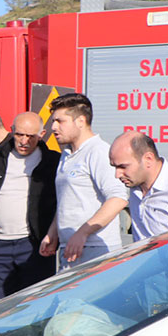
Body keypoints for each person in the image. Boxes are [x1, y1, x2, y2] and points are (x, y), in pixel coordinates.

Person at [0, 112, 58, 303]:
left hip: (32, 245)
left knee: (35, 302)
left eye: (30, 136)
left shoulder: (52, 161)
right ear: (11, 131)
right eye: (19, 134)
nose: (24, 141)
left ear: (42, 134)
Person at [40, 93, 128, 267]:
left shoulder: (98, 151)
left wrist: (83, 233)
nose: (54, 127)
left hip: (96, 250)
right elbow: (67, 199)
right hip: (70, 248)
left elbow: (118, 198)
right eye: (53, 121)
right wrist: (53, 232)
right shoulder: (67, 154)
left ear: (80, 121)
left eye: (60, 121)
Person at [110, 131, 168, 241]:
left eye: (123, 167)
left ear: (148, 159)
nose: (117, 175)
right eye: (115, 167)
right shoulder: (135, 186)